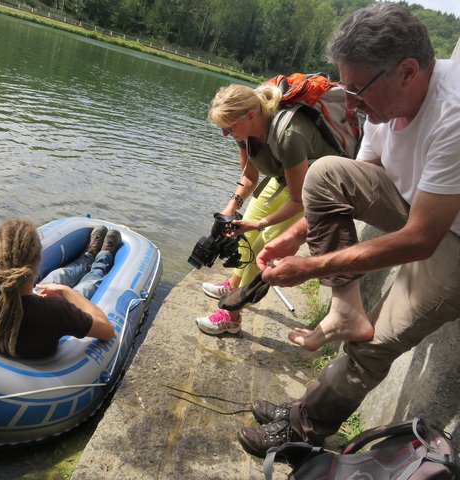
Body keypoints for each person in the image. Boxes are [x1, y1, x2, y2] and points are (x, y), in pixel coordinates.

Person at [237, 2, 460, 458]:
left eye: (358, 90)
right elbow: (349, 181)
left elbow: (423, 239)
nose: (349, 103)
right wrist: (296, 234)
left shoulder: (453, 115)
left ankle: (307, 423)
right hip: (419, 209)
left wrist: (313, 266)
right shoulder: (383, 103)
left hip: (450, 235)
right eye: (345, 86)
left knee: (375, 341)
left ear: (407, 71)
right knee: (325, 173)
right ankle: (345, 310)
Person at [195, 81, 341, 335]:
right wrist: (230, 208)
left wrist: (260, 223)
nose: (225, 135)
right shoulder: (244, 133)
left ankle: (232, 315)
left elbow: (298, 200)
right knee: (245, 236)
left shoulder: (288, 136)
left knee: (262, 244)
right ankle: (233, 285)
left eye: (229, 128)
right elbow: (249, 177)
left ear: (251, 115)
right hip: (285, 177)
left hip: (316, 185)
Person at [0, 218, 119, 359]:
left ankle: (88, 255)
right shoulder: (54, 310)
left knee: (58, 275)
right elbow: (107, 331)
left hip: (32, 295)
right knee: (85, 287)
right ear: (38, 258)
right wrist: (66, 291)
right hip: (45, 307)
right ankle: (102, 258)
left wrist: (14, 280)